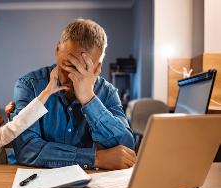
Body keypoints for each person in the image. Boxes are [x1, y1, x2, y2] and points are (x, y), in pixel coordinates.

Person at [12, 18, 136, 170]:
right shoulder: (29, 85)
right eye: (68, 65)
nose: (72, 77)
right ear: (57, 50)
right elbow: (27, 148)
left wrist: (89, 100)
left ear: (97, 67)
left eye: (83, 69)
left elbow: (126, 148)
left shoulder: (108, 92)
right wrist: (95, 158)